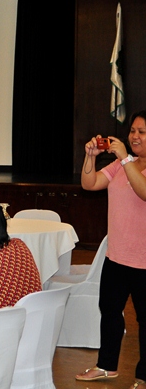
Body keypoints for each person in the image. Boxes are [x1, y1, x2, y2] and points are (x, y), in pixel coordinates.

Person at [75, 110, 146, 388]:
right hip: (116, 256)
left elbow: (143, 191)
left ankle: (144, 376)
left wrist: (126, 158)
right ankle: (106, 365)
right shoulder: (120, 164)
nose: (134, 136)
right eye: (133, 131)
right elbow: (89, 183)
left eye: (142, 132)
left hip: (143, 260)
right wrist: (90, 156)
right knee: (110, 311)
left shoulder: (125, 162)